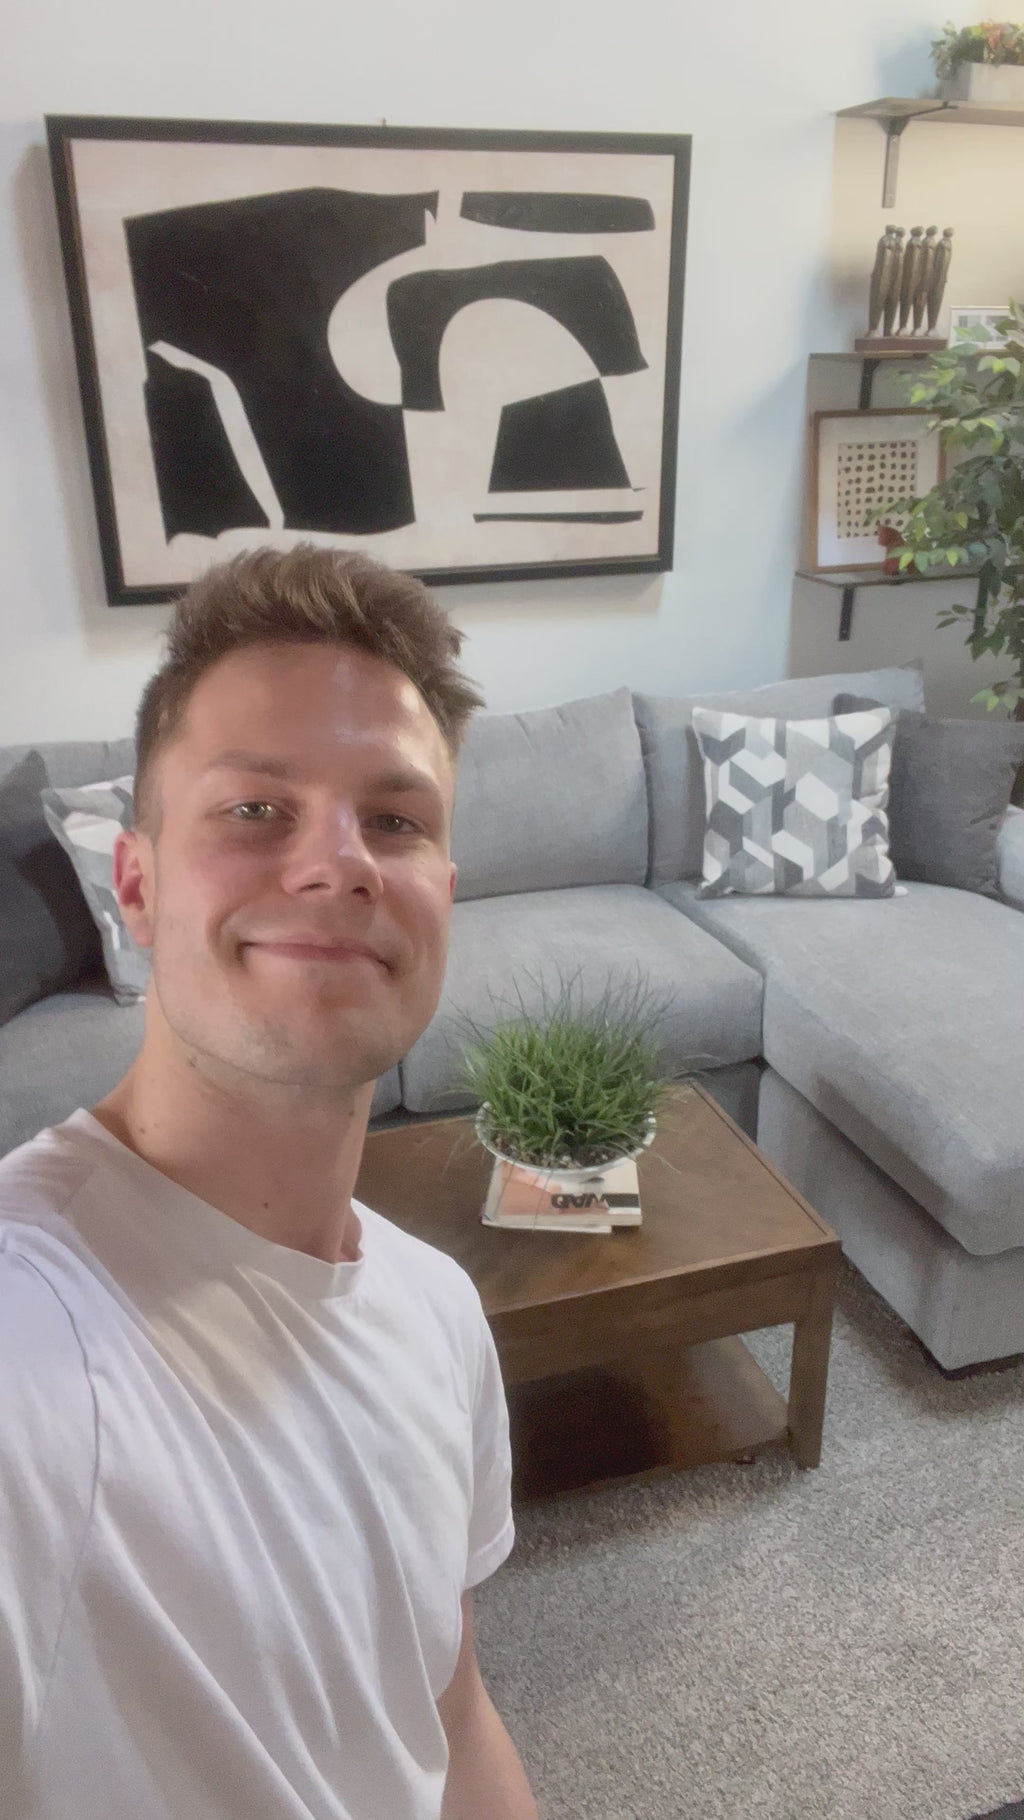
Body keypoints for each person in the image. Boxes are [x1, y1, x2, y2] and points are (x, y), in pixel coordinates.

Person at [0, 546, 539, 1820]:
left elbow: (448, 1710)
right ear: (137, 884)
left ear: (443, 894)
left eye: (394, 820)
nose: (337, 862)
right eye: (255, 809)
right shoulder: (31, 1352)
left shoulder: (438, 1308)